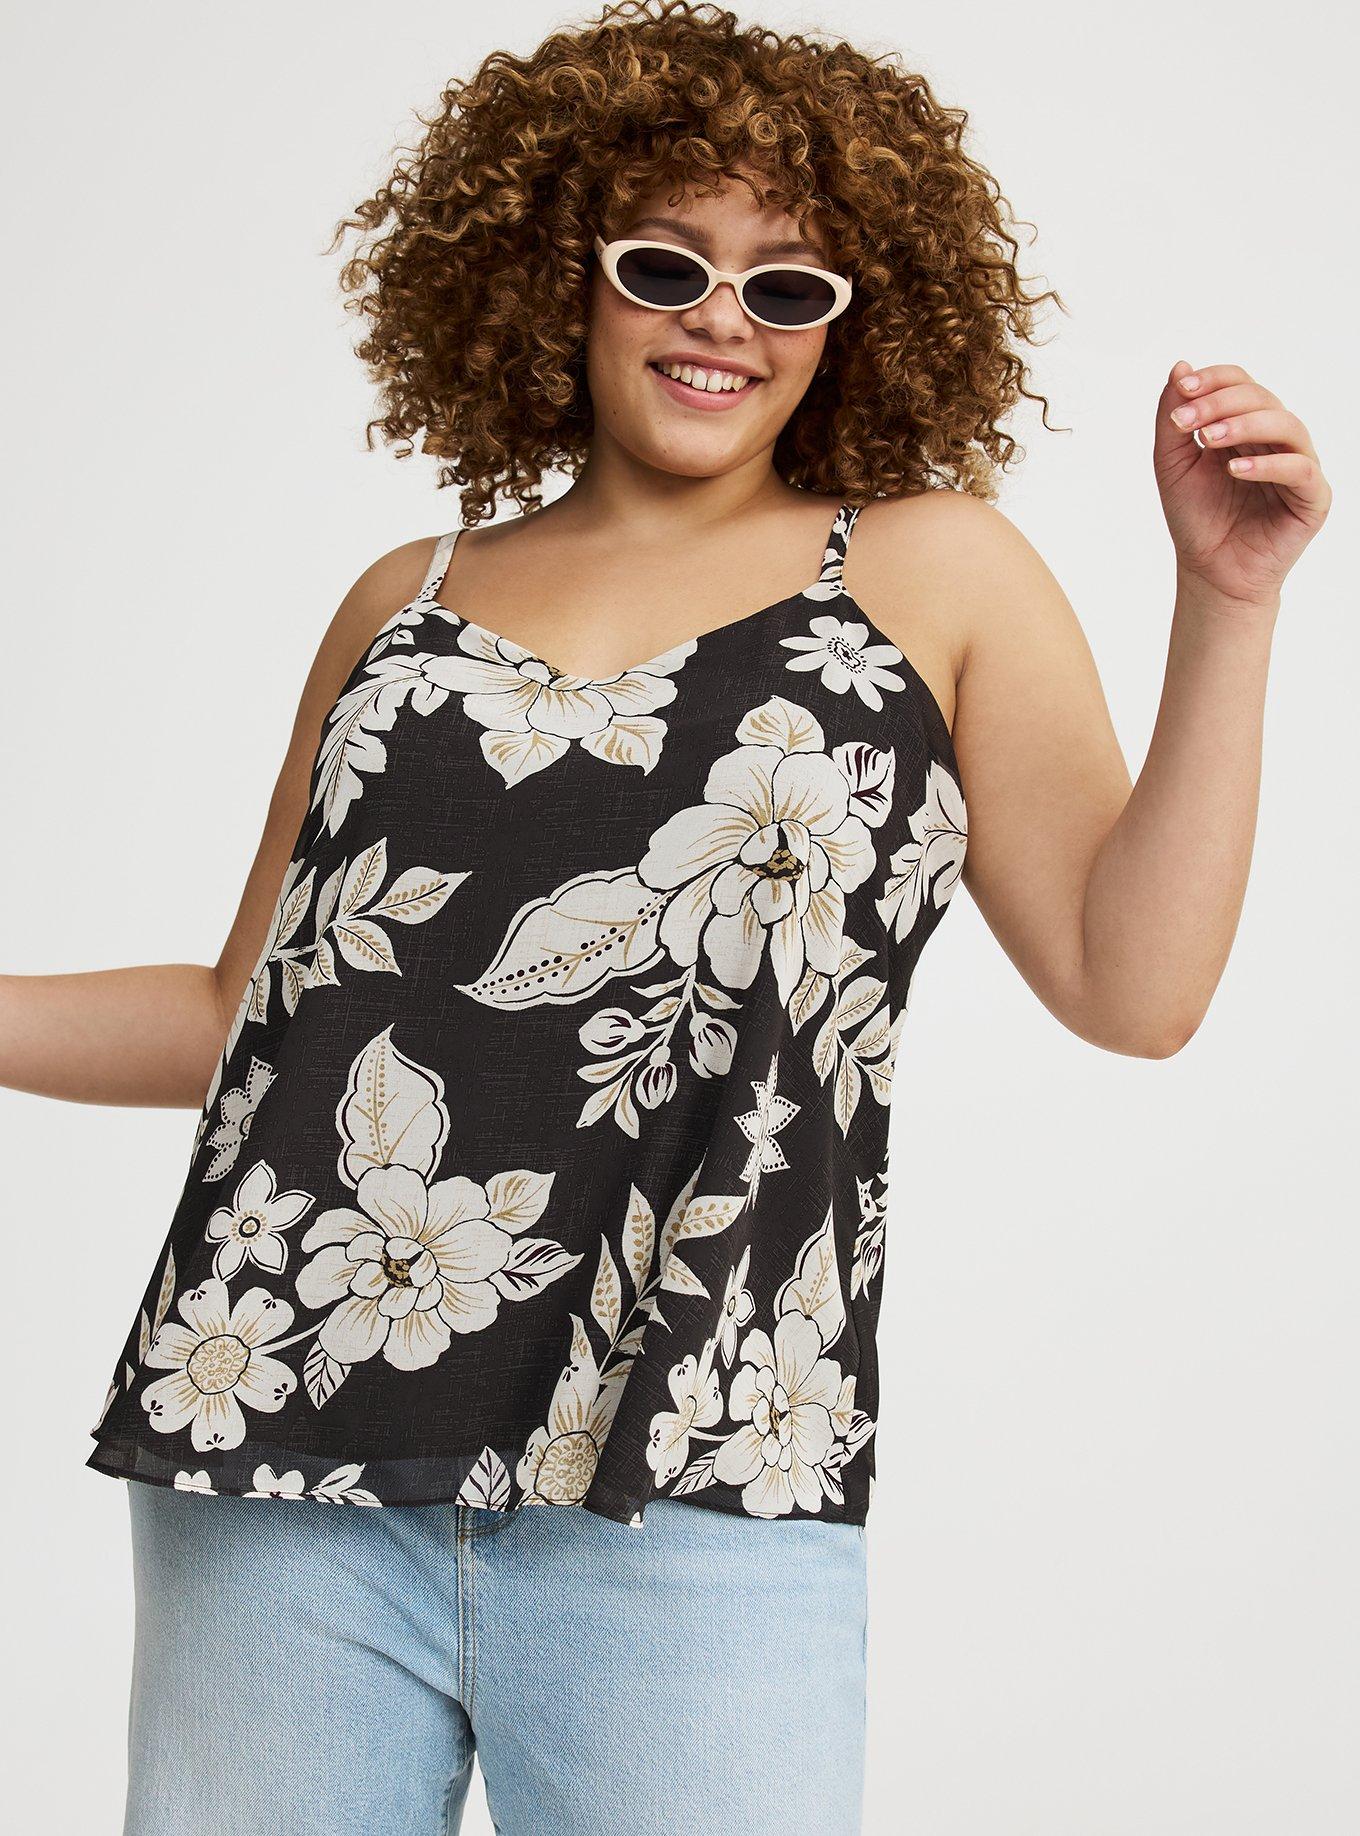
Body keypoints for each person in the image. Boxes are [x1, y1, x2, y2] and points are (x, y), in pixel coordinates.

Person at [2, 2, 1330, 1832]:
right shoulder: (406, 599)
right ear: (560, 269)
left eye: (787, 285)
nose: (723, 318)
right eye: (665, 264)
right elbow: (253, 1011)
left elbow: (1136, 985)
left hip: (697, 1467)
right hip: (278, 1440)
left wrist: (1229, 607)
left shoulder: (933, 570)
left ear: (854, 320)